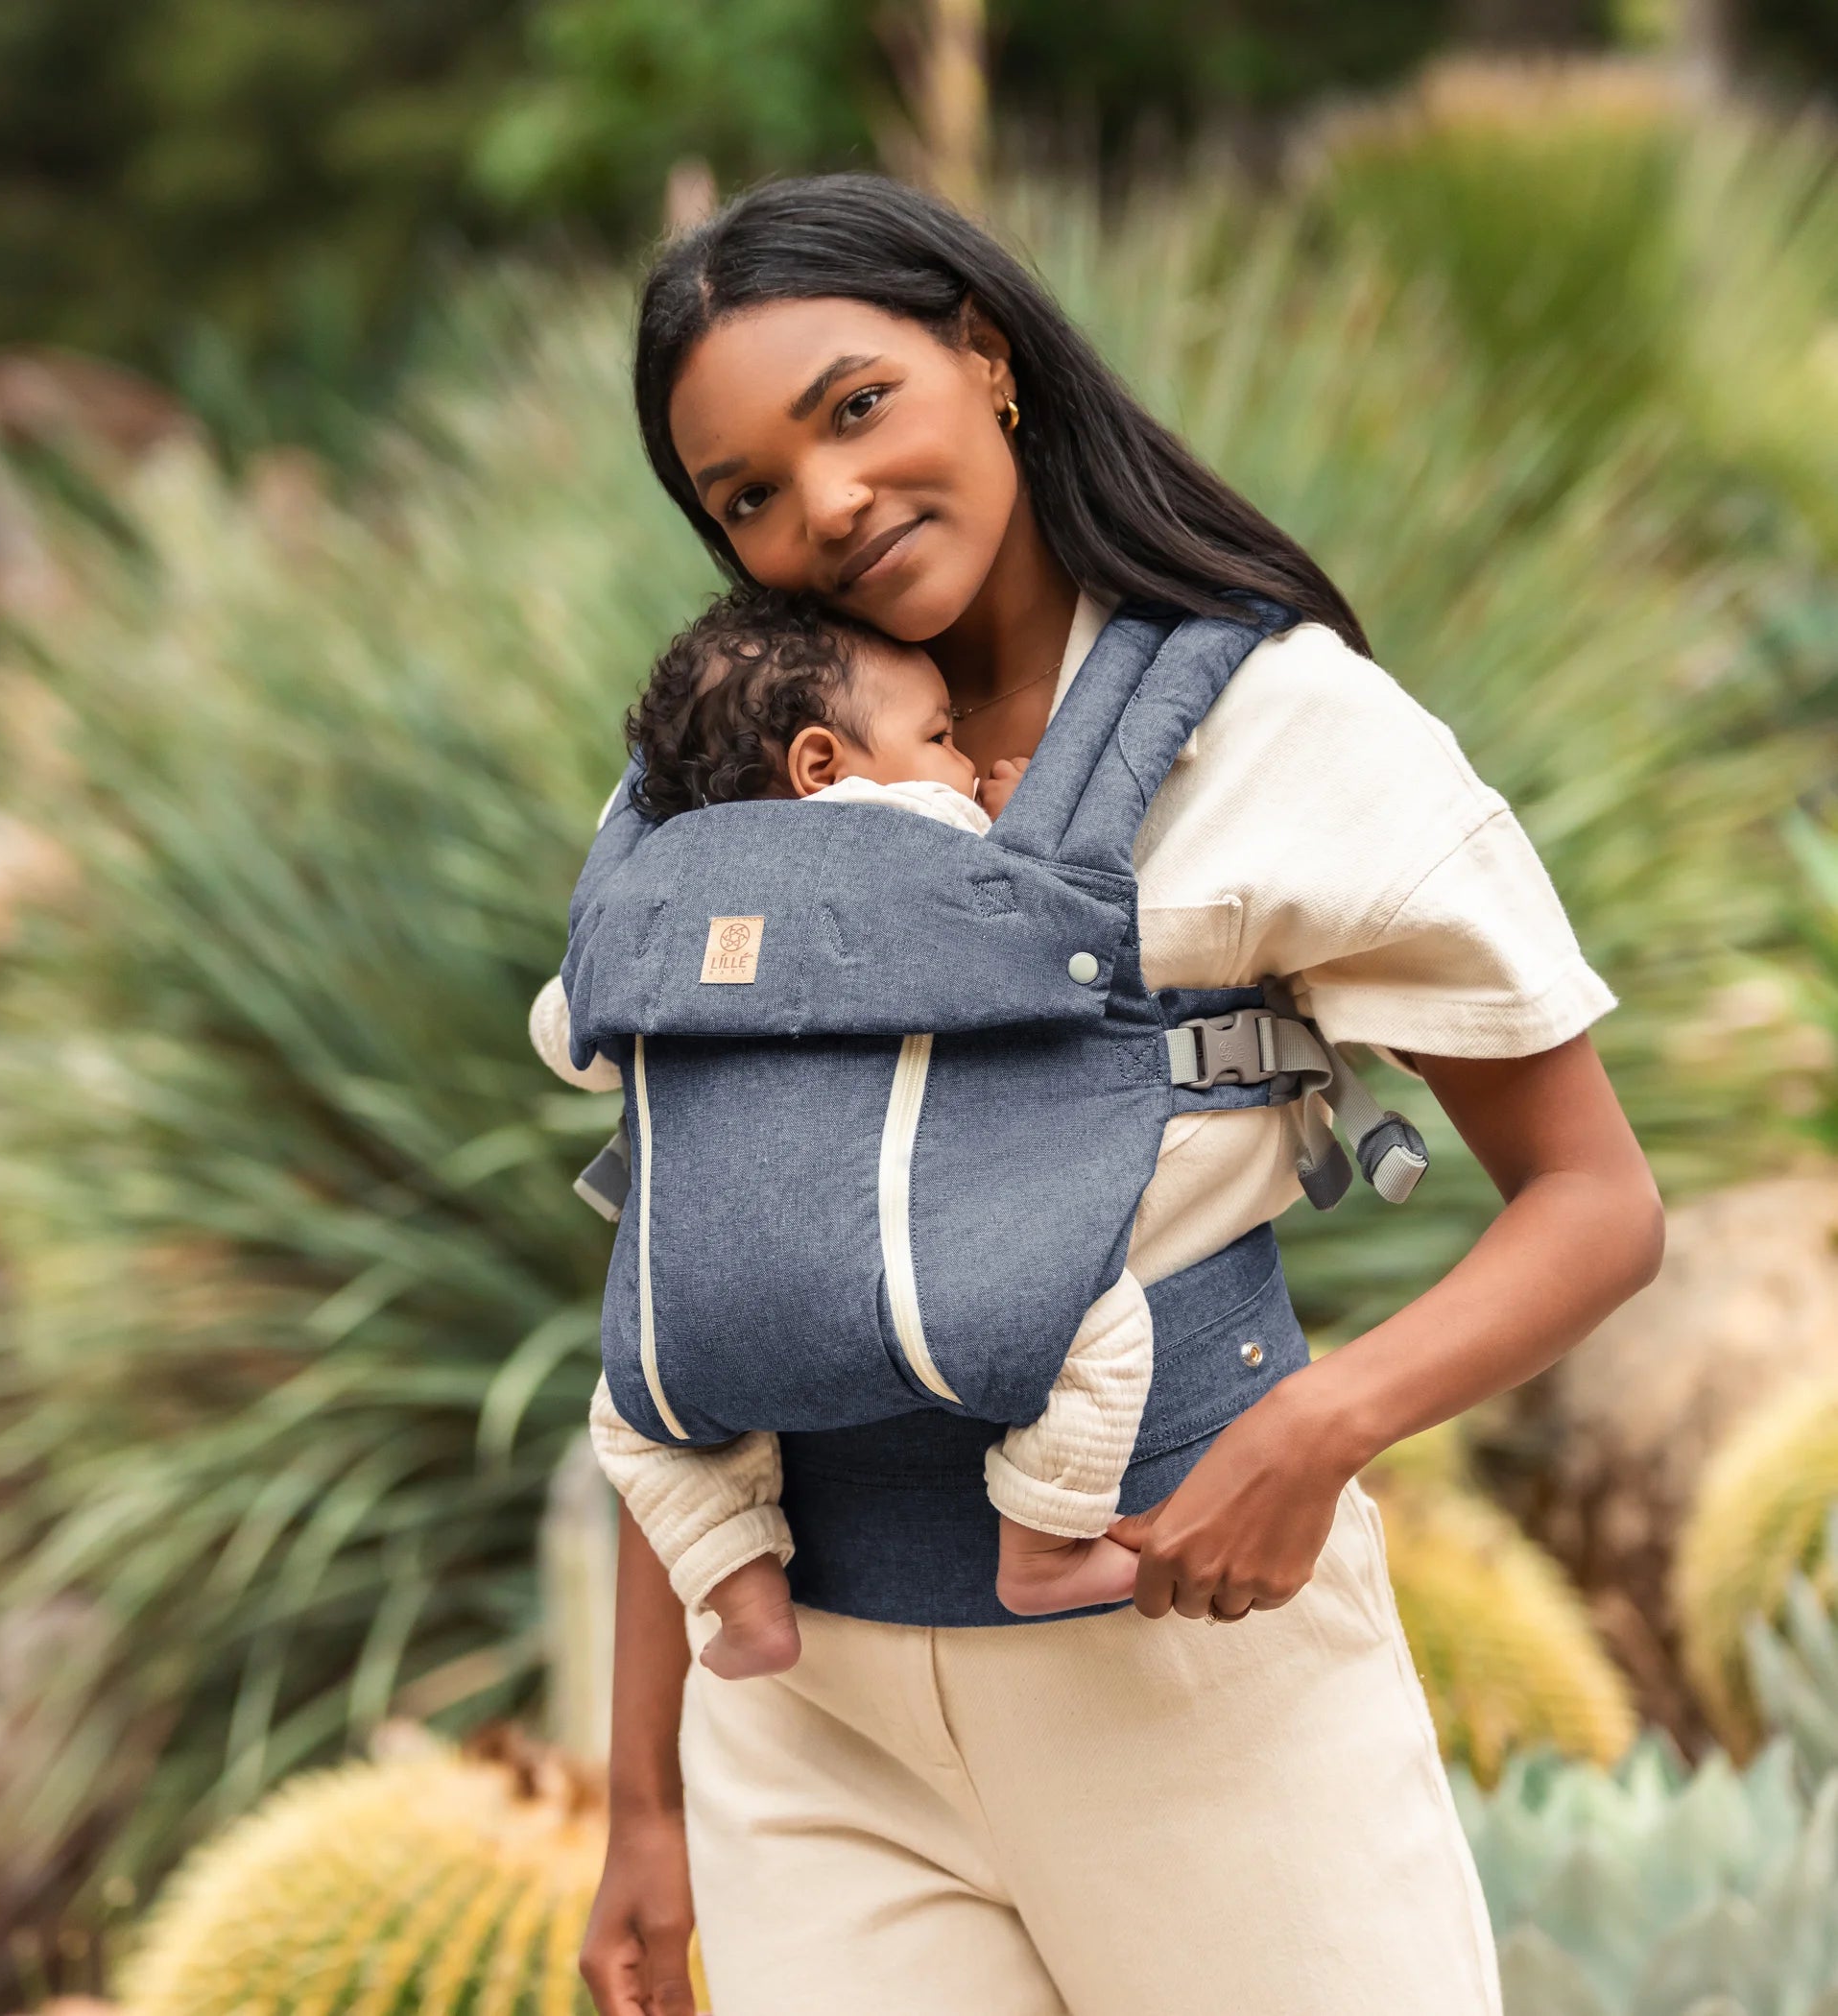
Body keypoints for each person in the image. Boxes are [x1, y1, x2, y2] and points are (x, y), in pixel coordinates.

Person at [574, 172, 1664, 2016]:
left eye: (855, 409)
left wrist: (1322, 1431)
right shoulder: (726, 791)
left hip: (1183, 1675)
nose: (823, 507)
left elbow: (1597, 1202)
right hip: (813, 1735)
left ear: (986, 358)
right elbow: (701, 1279)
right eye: (744, 493)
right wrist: (642, 1799)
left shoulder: (1277, 728)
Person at [536, 586, 1152, 1682]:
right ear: (825, 767)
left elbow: (568, 1041)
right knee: (1099, 1319)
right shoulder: (927, 830)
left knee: (633, 1424)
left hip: (699, 1336)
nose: (962, 760)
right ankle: (1042, 1544)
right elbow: (1035, 935)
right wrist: (1014, 824)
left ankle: (743, 1595)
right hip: (931, 1303)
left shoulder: (647, 901)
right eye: (939, 736)